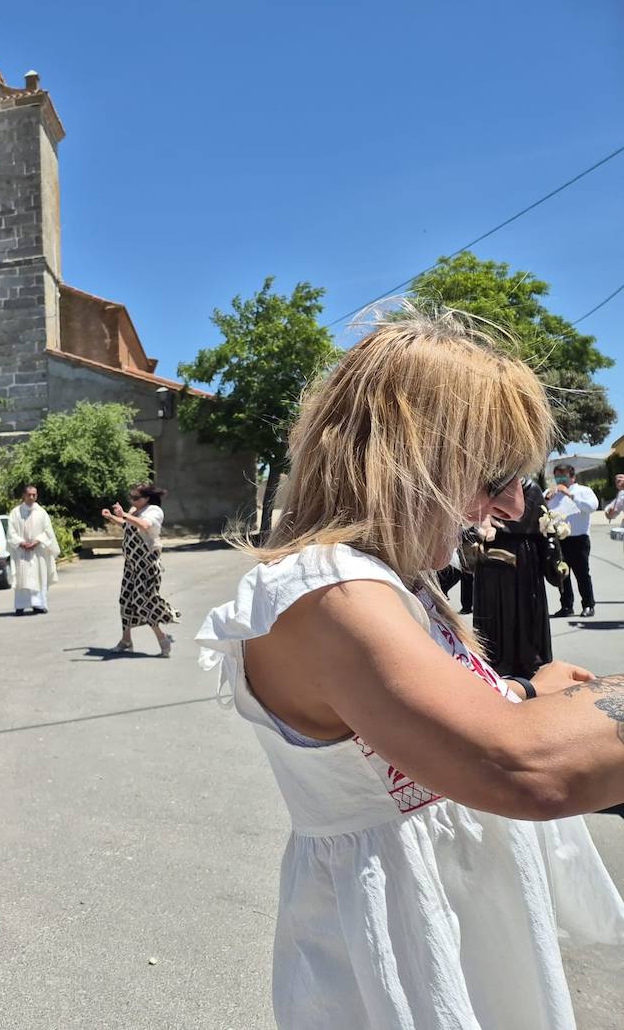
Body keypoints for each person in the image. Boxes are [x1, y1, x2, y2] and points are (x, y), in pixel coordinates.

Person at [195, 309, 624, 1029]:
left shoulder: (383, 578)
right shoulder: (326, 588)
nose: (506, 507)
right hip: (403, 958)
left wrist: (518, 690)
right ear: (407, 458)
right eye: (492, 476)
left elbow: (408, 724)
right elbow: (517, 764)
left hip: (455, 930)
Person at [470, 478, 562, 678]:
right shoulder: (479, 485)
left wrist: (555, 561)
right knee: (493, 612)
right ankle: (493, 662)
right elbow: (467, 523)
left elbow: (546, 528)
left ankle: (528, 662)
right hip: (492, 561)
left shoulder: (530, 488)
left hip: (524, 560)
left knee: (524, 610)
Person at [101, 482, 177, 656]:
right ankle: (126, 640)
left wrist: (126, 514)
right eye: (131, 497)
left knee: (142, 601)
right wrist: (113, 517)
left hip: (147, 565)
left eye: (136, 497)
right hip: (132, 564)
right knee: (126, 600)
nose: (132, 500)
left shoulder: (154, 511)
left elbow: (145, 525)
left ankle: (162, 638)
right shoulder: (135, 510)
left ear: (147, 498)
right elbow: (128, 524)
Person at [546, 463, 598, 617]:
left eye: (563, 475)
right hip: (558, 540)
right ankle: (567, 605)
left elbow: (591, 507)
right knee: (562, 574)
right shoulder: (551, 493)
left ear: (572, 476)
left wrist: (570, 495)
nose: (560, 479)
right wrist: (547, 498)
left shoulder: (583, 491)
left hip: (578, 539)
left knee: (582, 574)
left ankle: (588, 604)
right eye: (557, 476)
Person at [7, 485, 59, 614]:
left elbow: (48, 532)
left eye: (34, 495)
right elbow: (11, 532)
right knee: (22, 577)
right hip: (22, 551)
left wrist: (37, 541)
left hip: (37, 551)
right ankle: (20, 606)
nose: (31, 497)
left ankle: (39, 605)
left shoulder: (41, 512)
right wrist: (21, 543)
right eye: (29, 494)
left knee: (38, 577)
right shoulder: (15, 512)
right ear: (23, 495)